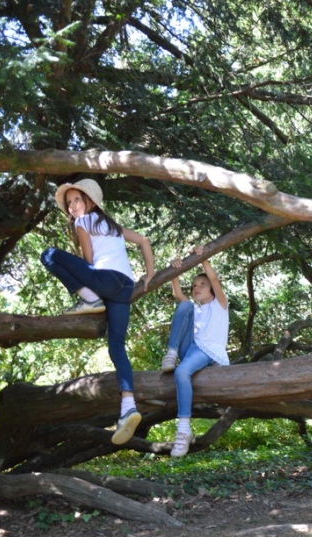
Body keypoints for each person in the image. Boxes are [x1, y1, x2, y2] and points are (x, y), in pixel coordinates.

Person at [40, 179, 155, 445]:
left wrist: (81, 275)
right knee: (116, 346)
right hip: (124, 287)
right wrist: (149, 275)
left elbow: (90, 262)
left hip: (105, 280)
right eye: (69, 203)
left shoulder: (83, 223)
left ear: (90, 202)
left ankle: (90, 299)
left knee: (48, 255)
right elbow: (143, 240)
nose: (71, 207)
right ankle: (128, 406)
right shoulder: (113, 226)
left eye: (76, 200)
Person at [160, 245, 230, 457]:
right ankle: (171, 353)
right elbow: (178, 295)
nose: (197, 288)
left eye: (202, 284)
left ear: (211, 289)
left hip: (207, 351)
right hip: (190, 348)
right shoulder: (195, 310)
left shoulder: (220, 304)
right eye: (194, 286)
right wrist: (175, 271)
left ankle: (183, 430)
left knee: (182, 373)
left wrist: (203, 258)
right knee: (184, 306)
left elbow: (215, 280)